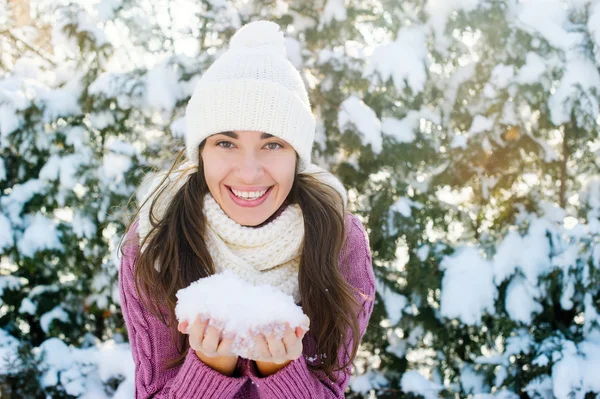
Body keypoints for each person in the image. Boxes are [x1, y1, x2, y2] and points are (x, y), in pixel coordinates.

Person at [118, 19, 375, 399]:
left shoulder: (338, 239)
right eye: (226, 143)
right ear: (200, 152)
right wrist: (209, 368)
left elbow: (331, 389)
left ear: (297, 156)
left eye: (273, 145)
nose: (250, 172)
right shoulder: (155, 238)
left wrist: (281, 371)